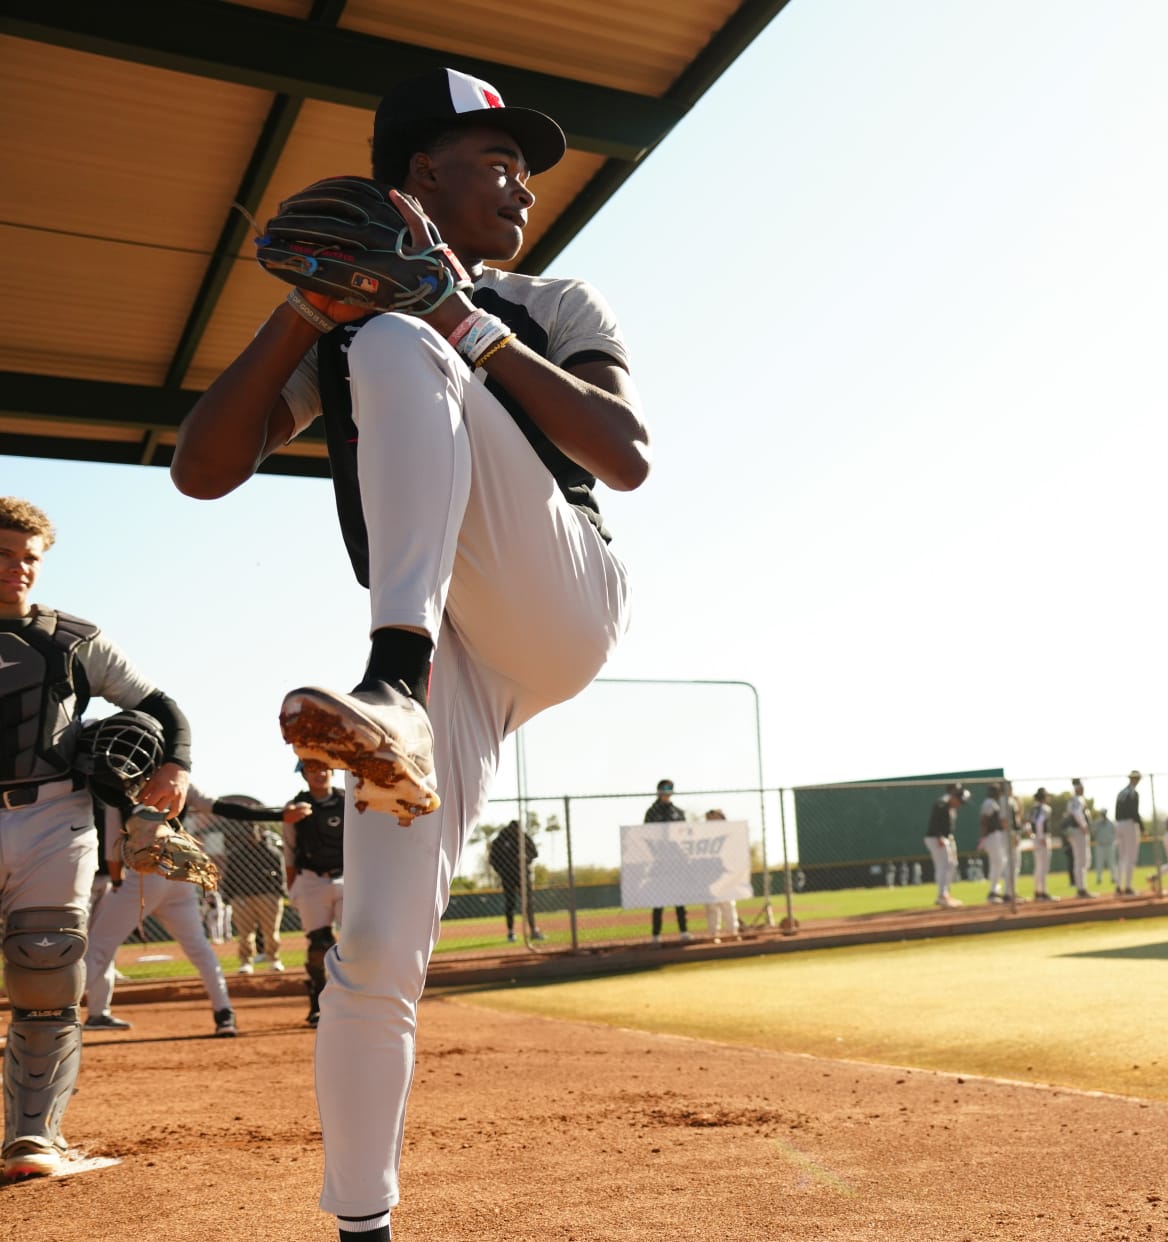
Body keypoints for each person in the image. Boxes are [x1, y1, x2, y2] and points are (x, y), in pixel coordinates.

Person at [171, 68, 646, 1240]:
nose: (523, 183)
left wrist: (453, 313)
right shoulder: (346, 326)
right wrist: (299, 308)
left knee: (401, 334)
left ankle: (389, 674)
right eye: (494, 159)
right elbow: (201, 467)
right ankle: (362, 1225)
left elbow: (625, 455)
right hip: (451, 665)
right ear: (416, 174)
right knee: (373, 949)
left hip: (558, 593)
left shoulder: (550, 298)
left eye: (523, 166)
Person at [0, 498, 196, 1181]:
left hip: (56, 817)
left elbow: (158, 708)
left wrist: (176, 766)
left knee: (45, 967)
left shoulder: (75, 640)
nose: (17, 569)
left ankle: (32, 1138)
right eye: (3, 554)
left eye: (29, 558)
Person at [82, 796, 237, 1038]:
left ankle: (54, 1011)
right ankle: (224, 1014)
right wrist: (277, 815)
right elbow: (218, 806)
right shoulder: (178, 779)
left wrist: (118, 885)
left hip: (144, 878)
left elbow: (114, 853)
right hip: (180, 873)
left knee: (99, 948)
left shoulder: (117, 791)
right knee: (199, 949)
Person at [282, 760, 348, 1027]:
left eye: (323, 768)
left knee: (355, 939)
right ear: (303, 774)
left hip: (347, 877)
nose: (319, 773)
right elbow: (289, 849)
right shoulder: (296, 808)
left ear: (332, 770)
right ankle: (319, 1004)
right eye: (311, 768)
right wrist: (293, 886)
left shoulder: (350, 802)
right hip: (311, 880)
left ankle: (353, 1000)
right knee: (319, 943)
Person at [210, 796, 290, 973]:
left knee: (271, 932)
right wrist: (228, 896)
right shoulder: (236, 854)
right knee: (245, 934)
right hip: (242, 897)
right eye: (247, 831)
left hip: (268, 895)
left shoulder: (271, 851)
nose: (251, 834)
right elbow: (229, 876)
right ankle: (246, 962)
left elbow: (281, 874)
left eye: (253, 830)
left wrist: (279, 892)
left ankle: (274, 959)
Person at [644, 780, 689, 943]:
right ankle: (656, 935)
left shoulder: (677, 811)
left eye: (669, 789)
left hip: (677, 862)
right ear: (657, 791)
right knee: (659, 900)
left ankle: (684, 931)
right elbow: (646, 835)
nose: (666, 791)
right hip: (659, 862)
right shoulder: (652, 812)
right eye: (663, 789)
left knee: (679, 899)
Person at [488, 820, 543, 943]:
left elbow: (535, 853)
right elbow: (492, 860)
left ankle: (533, 930)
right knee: (510, 904)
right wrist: (502, 871)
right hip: (507, 876)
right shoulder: (500, 840)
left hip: (523, 875)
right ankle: (511, 932)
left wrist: (526, 857)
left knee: (528, 902)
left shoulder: (523, 837)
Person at [923, 784, 965, 908]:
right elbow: (935, 821)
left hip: (945, 837)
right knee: (944, 865)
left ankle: (945, 894)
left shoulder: (949, 805)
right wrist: (939, 836)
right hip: (936, 838)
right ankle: (942, 896)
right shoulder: (942, 803)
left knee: (951, 864)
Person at [700, 809, 739, 941]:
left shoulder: (730, 835)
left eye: (715, 819)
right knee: (711, 907)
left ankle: (733, 933)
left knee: (728, 904)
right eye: (709, 820)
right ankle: (713, 935)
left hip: (725, 875)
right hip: (708, 875)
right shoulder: (703, 837)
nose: (712, 822)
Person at [976, 782, 1013, 903]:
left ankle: (995, 890)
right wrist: (983, 837)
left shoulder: (993, 803)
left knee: (999, 863)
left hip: (994, 835)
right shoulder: (989, 803)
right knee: (998, 863)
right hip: (992, 836)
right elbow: (984, 820)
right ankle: (993, 892)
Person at [1112, 771, 1143, 897]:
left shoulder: (1121, 792)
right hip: (1129, 824)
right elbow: (1134, 812)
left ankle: (1119, 886)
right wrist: (1142, 827)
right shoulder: (1133, 793)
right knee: (1131, 857)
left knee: (1122, 857)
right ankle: (1128, 887)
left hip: (1119, 824)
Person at [1061, 778, 1093, 898]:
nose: (1083, 789)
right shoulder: (1078, 800)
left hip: (1073, 831)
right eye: (1081, 787)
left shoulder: (1072, 800)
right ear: (1078, 788)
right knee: (1082, 860)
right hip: (1078, 831)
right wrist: (1084, 826)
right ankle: (1081, 889)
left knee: (1079, 860)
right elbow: (1077, 813)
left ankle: (1081, 888)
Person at [1025, 787, 1057, 901]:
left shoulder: (1032, 808)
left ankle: (1038, 891)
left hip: (1035, 839)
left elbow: (1027, 825)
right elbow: (1039, 822)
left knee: (1038, 867)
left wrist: (1032, 835)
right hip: (1042, 838)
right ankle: (1043, 892)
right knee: (1043, 867)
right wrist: (1041, 836)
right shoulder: (1045, 808)